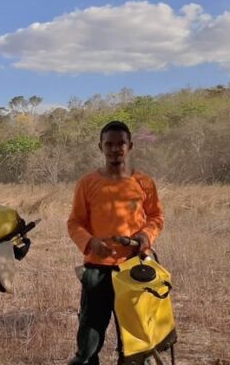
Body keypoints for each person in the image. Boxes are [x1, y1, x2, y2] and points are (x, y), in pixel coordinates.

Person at [67, 121, 164, 365]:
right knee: (89, 338)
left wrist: (144, 237)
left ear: (130, 146)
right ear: (100, 147)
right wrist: (90, 242)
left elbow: (155, 217)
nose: (114, 149)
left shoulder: (144, 183)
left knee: (134, 343)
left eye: (120, 143)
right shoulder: (87, 183)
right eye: (108, 144)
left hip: (134, 270)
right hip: (97, 271)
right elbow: (75, 222)